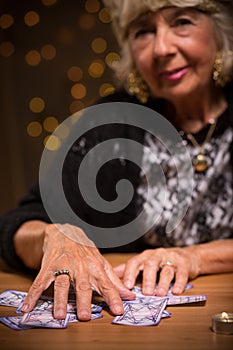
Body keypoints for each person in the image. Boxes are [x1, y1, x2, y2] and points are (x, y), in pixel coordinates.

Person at [0, 0, 233, 322]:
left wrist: (195, 258)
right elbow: (19, 224)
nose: (162, 48)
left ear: (220, 32)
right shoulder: (107, 123)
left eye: (182, 22)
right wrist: (51, 236)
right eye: (144, 31)